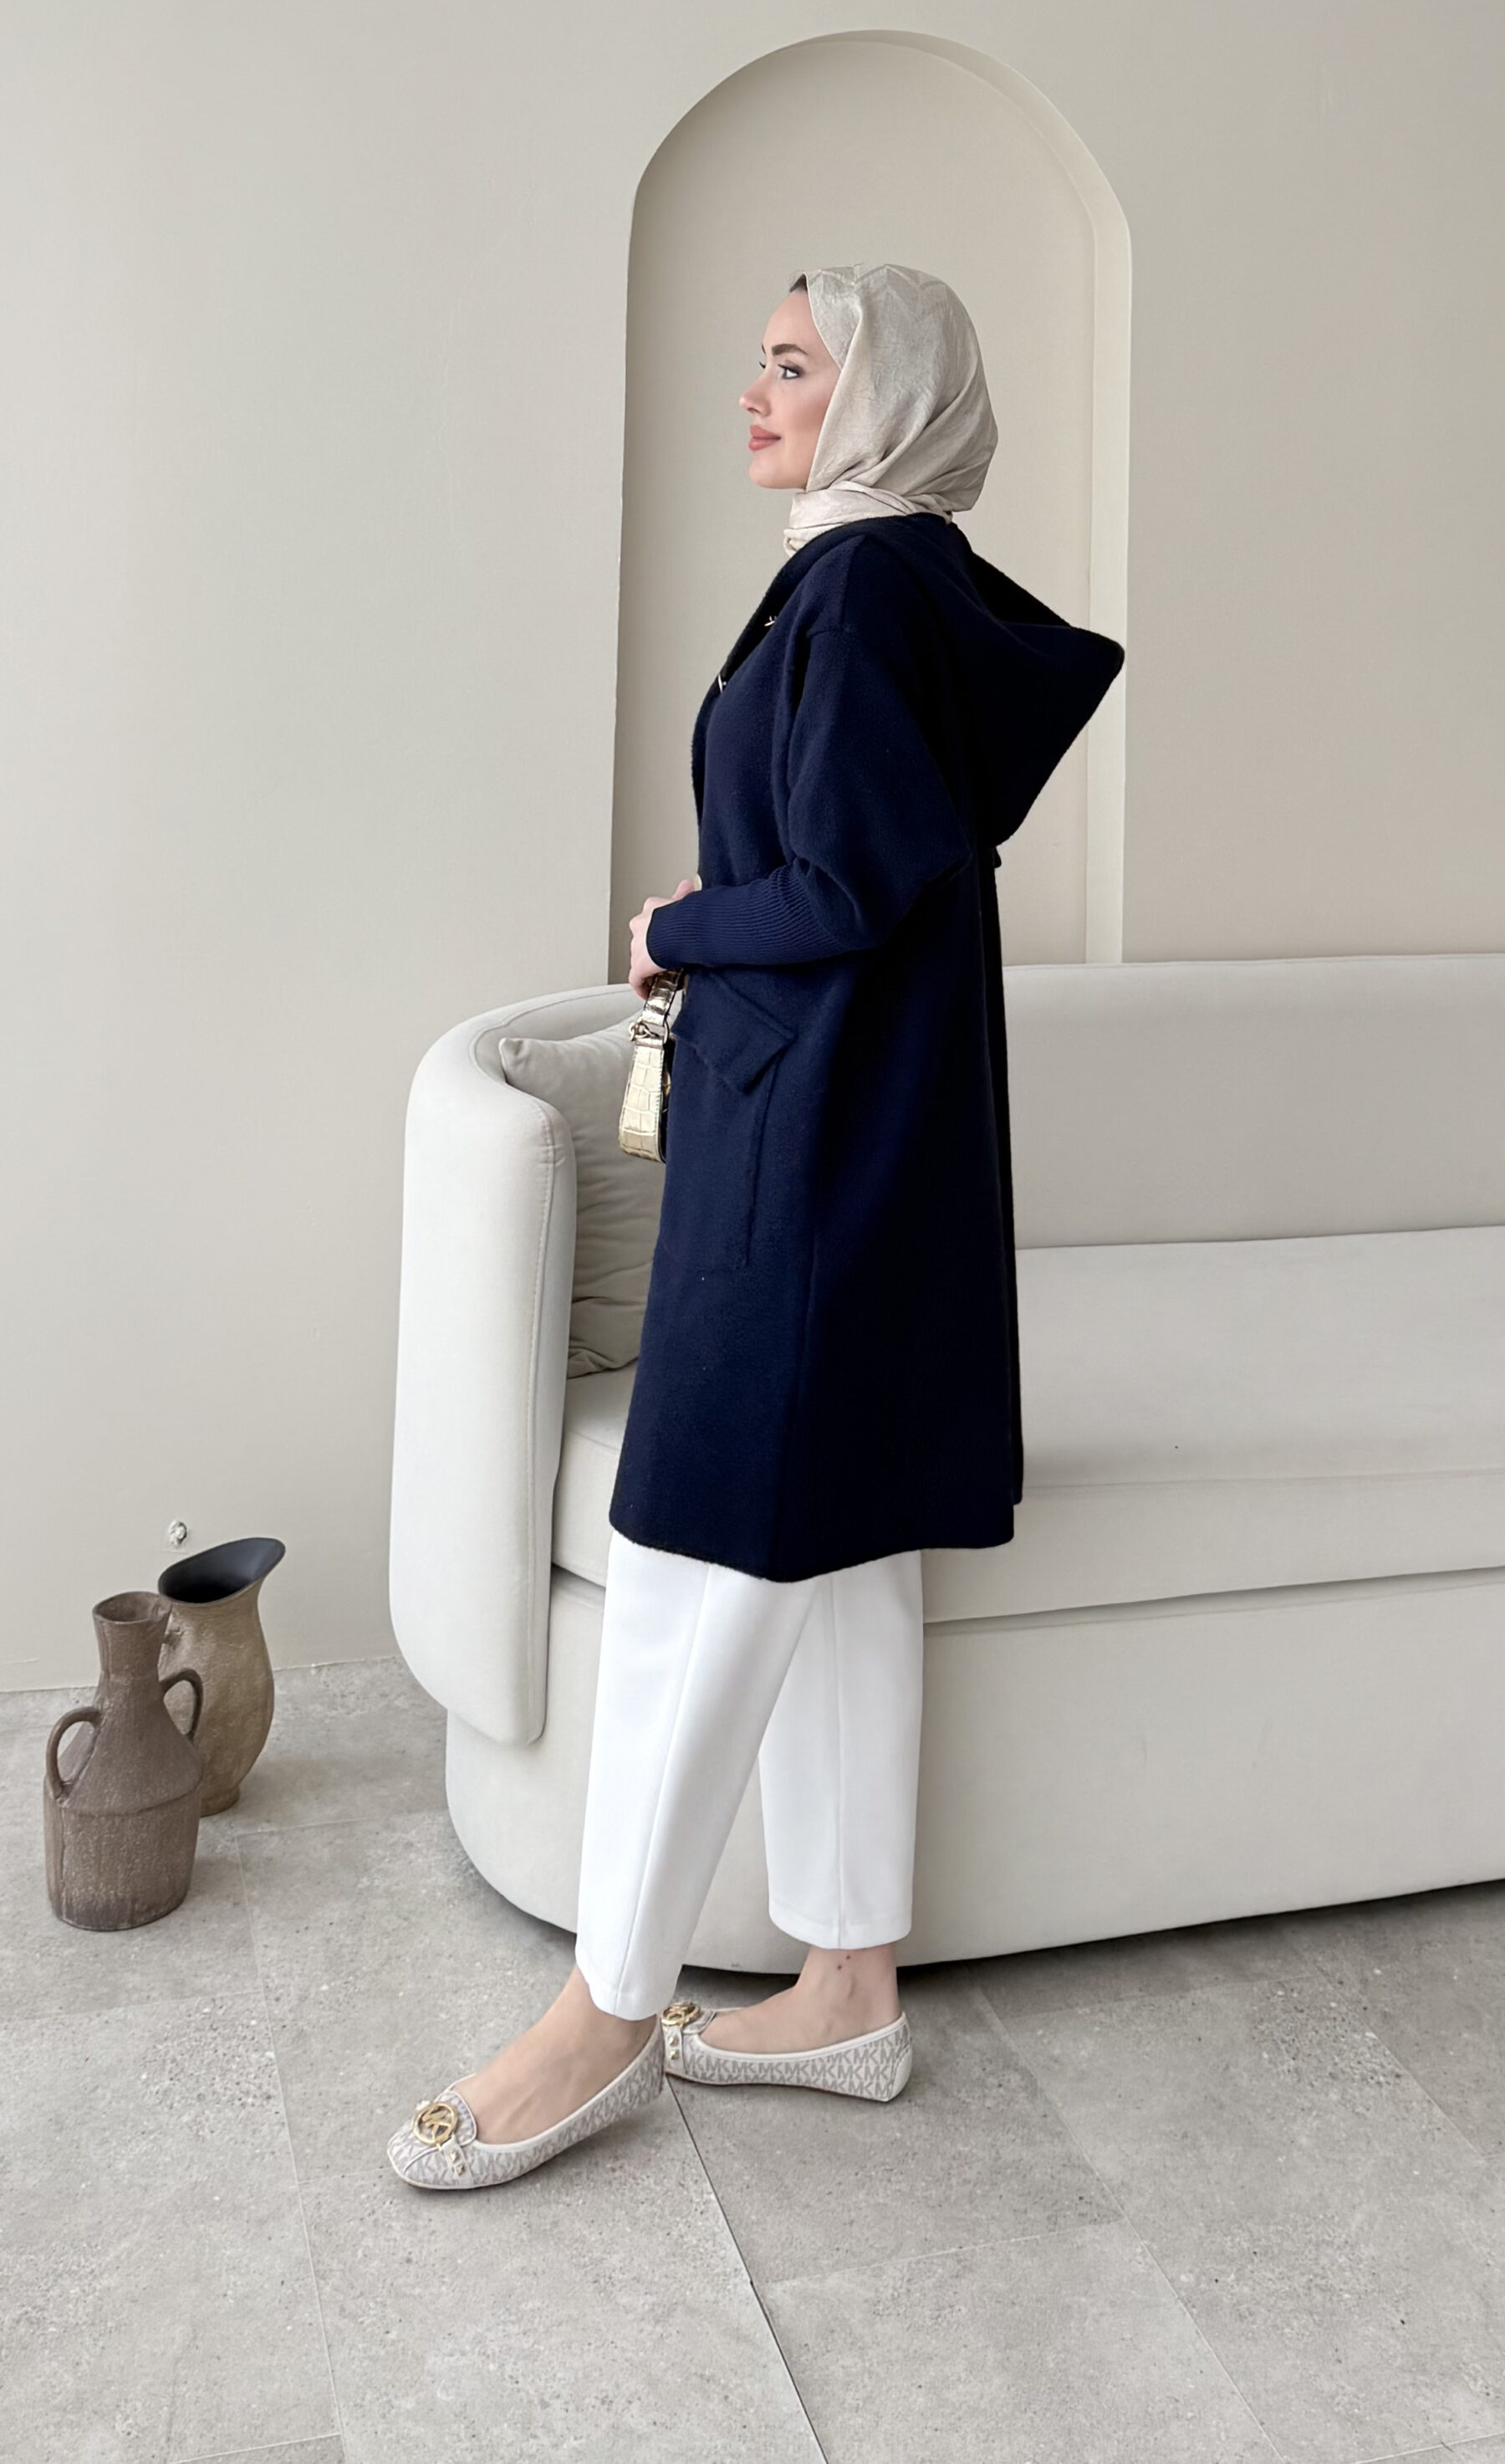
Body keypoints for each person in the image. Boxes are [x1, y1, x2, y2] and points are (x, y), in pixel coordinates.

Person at [388, 262, 1125, 2191]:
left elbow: (848, 881)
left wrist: (675, 929)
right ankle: (848, 1980)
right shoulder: (897, 574)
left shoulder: (864, 585)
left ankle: (600, 2012)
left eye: (794, 366)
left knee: (695, 1547)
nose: (757, 392)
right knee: (845, 1544)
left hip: (814, 1151)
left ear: (882, 400)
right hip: (859, 1138)